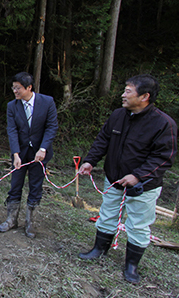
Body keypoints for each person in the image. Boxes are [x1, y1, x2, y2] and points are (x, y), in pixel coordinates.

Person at [77, 74, 177, 284]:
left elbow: (163, 158)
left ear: (144, 96)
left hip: (143, 187)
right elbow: (103, 139)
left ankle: (131, 266)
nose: (123, 95)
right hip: (113, 179)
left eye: (128, 91)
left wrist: (138, 176)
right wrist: (90, 161)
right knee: (107, 215)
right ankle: (99, 249)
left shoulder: (163, 124)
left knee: (138, 225)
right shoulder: (118, 115)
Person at [0, 72, 58, 238]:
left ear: (29, 87)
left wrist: (43, 148)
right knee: (15, 184)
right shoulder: (12, 106)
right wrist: (15, 154)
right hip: (21, 153)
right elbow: (12, 130)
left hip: (40, 153)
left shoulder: (47, 102)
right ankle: (11, 219)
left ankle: (30, 223)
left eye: (18, 88)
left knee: (35, 185)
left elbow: (51, 127)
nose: (15, 91)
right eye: (13, 88)